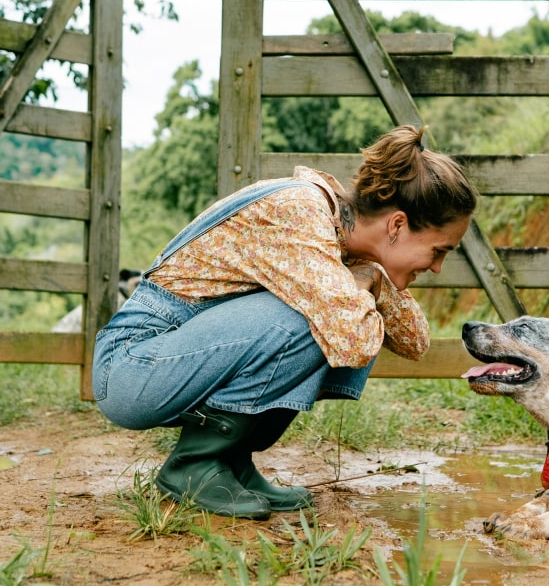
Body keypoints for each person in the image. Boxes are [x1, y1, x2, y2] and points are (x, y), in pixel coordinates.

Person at [92, 125, 477, 519]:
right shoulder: (301, 214)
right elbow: (357, 340)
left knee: (336, 309)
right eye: (438, 250)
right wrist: (363, 282)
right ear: (396, 225)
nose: (437, 266)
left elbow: (415, 340)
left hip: (169, 360)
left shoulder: (339, 237)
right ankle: (193, 465)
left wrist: (372, 276)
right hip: (131, 367)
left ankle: (230, 461)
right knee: (316, 319)